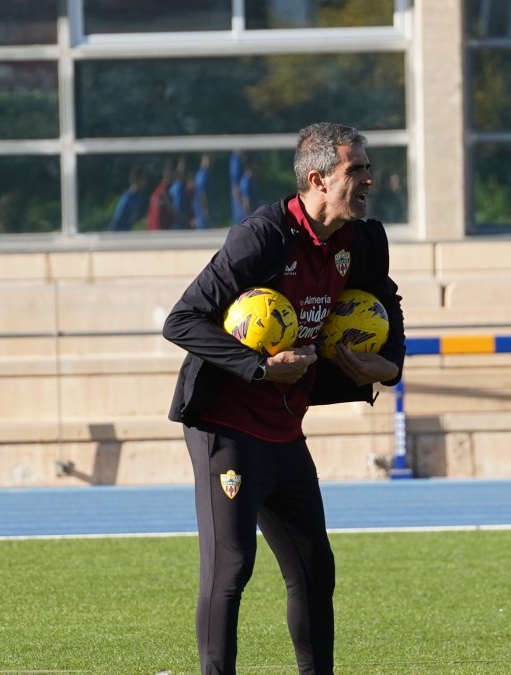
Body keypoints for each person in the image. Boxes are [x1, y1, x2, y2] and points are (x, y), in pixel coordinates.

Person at [162, 122, 406, 675]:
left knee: (315, 569)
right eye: (357, 170)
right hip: (226, 427)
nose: (370, 180)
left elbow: (386, 298)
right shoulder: (263, 236)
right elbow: (183, 320)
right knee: (231, 569)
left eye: (368, 168)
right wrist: (259, 367)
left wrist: (390, 365)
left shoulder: (363, 238)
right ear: (318, 180)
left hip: (284, 427)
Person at [106, 164, 148, 231]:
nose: (144, 182)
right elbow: (117, 219)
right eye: (143, 179)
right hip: (118, 232)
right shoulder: (127, 198)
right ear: (136, 179)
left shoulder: (140, 196)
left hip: (127, 230)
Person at [193, 153, 211, 229]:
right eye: (208, 160)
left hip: (201, 208)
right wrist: (205, 208)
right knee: (203, 229)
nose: (209, 163)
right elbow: (202, 194)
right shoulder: (202, 175)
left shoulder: (204, 173)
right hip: (201, 209)